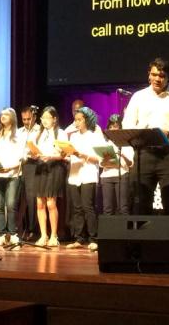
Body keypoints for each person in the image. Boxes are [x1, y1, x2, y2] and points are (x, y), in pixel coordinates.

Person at [122, 57, 169, 216]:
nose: (157, 79)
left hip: (168, 155)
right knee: (141, 203)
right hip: (144, 154)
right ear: (149, 74)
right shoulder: (138, 97)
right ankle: (142, 240)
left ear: (168, 77)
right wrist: (141, 134)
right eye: (154, 74)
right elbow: (127, 125)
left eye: (161, 76)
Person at [29, 106, 67, 247]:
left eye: (47, 118)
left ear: (54, 119)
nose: (44, 121)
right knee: (40, 203)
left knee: (51, 203)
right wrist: (32, 154)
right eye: (42, 118)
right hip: (40, 167)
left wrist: (51, 156)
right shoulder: (38, 134)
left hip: (54, 167)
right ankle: (43, 235)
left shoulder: (60, 133)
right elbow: (33, 150)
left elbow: (64, 154)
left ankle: (54, 235)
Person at [67, 107, 103, 251]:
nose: (77, 122)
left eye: (79, 120)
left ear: (87, 120)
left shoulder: (95, 136)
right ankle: (79, 238)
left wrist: (81, 154)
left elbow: (99, 159)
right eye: (75, 120)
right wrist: (66, 152)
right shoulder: (73, 136)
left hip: (88, 174)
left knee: (88, 207)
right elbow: (70, 154)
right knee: (77, 208)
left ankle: (93, 238)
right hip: (75, 174)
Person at [0, 108, 22, 246]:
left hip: (12, 174)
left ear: (13, 117)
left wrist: (11, 167)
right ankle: (2, 235)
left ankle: (12, 234)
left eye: (6, 114)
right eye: (1, 114)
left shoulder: (18, 135)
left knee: (10, 205)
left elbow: (22, 157)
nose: (3, 117)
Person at [100, 114, 133, 215]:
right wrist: (105, 161)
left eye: (115, 126)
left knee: (123, 207)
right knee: (107, 208)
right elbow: (100, 163)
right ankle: (109, 230)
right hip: (107, 176)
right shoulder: (105, 142)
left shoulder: (126, 143)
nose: (113, 129)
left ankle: (124, 230)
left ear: (120, 127)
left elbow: (131, 164)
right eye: (111, 127)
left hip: (122, 175)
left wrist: (121, 155)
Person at [17, 105, 40, 240]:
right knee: (18, 198)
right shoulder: (19, 132)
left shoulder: (39, 130)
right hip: (19, 166)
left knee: (31, 198)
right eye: (24, 119)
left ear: (35, 117)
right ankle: (20, 229)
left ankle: (32, 229)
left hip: (32, 165)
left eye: (29, 119)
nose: (26, 122)